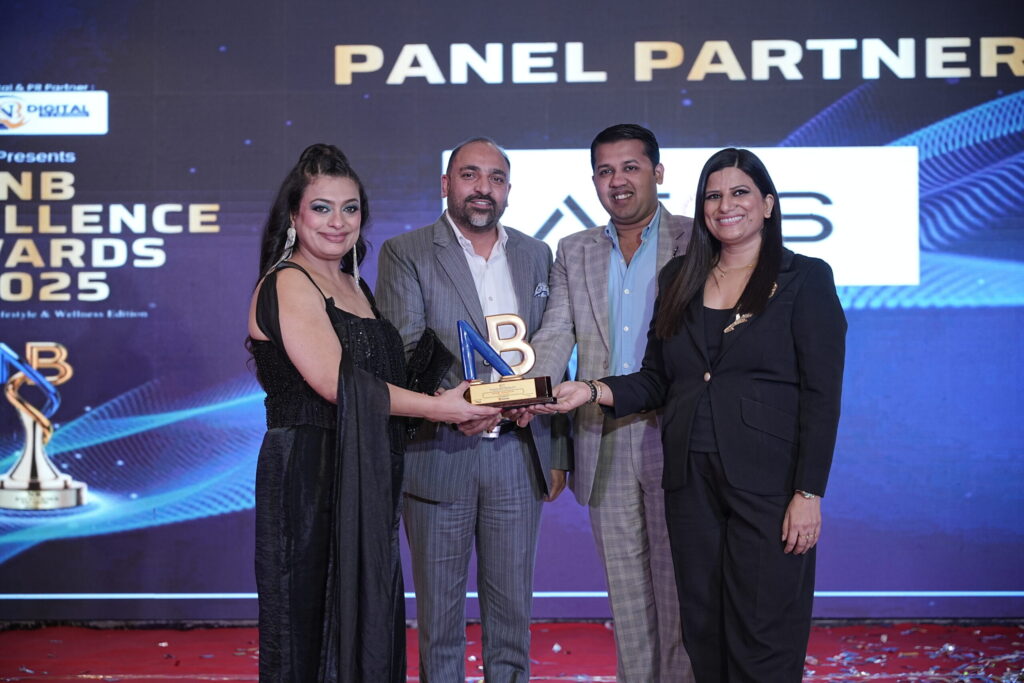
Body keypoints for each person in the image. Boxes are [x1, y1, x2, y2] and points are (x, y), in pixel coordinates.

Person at [539, 148, 847, 682]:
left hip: (769, 487)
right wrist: (589, 390)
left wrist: (808, 493)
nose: (726, 206)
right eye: (713, 196)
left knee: (763, 633)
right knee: (702, 631)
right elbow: (658, 377)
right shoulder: (682, 275)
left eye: (740, 193)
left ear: (768, 204)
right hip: (689, 485)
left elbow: (822, 396)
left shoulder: (805, 278)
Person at [246, 143, 498, 682]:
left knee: (367, 617)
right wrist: (441, 408)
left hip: (365, 471)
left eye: (350, 208)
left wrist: (466, 401)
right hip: (309, 476)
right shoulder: (288, 280)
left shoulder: (354, 284)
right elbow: (339, 384)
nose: (337, 222)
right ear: (294, 216)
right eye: (321, 208)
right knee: (308, 618)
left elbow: (387, 384)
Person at [376, 136, 569, 682]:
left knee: (512, 621)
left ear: (508, 189)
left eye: (496, 178)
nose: (484, 188)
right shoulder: (406, 252)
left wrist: (551, 435)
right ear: (446, 184)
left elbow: (555, 343)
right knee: (440, 625)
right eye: (470, 175)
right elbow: (404, 349)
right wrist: (460, 404)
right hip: (440, 452)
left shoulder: (537, 254)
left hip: (517, 453)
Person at [527, 124, 694, 681]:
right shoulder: (573, 250)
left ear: (657, 172)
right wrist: (524, 390)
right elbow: (556, 334)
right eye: (605, 171)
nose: (617, 181)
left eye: (630, 167)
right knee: (629, 605)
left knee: (681, 600)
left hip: (677, 437)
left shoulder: (696, 238)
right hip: (603, 437)